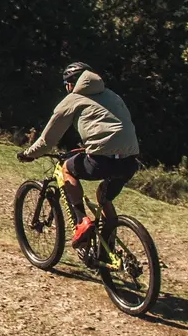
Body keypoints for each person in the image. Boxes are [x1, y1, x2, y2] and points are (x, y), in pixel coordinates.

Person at [18, 62, 140, 248]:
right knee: (104, 197)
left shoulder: (73, 99)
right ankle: (107, 248)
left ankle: (82, 221)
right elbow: (116, 128)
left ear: (70, 83)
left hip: (101, 159)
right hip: (129, 161)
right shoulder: (112, 95)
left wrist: (29, 154)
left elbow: (48, 140)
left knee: (67, 169)